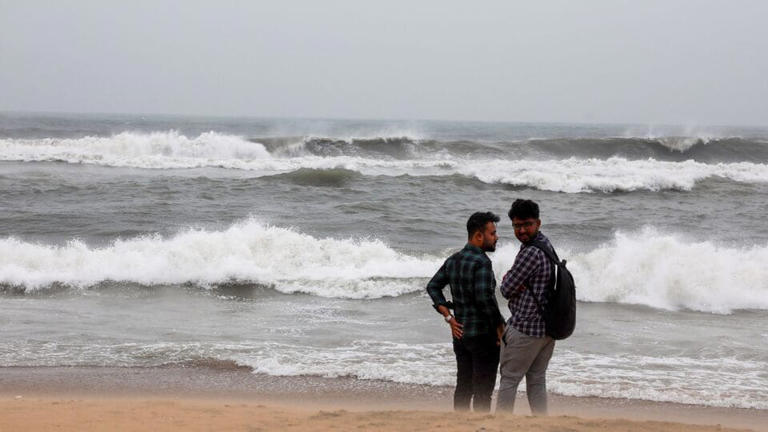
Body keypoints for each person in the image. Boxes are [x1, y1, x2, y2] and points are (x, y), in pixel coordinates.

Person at [426, 212, 505, 412]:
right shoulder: (482, 262)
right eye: (493, 233)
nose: (496, 237)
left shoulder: (453, 260)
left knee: (463, 386)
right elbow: (484, 299)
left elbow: (433, 287)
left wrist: (449, 318)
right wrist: (500, 327)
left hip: (460, 335)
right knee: (483, 391)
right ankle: (479, 425)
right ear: (479, 236)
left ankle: (459, 424)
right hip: (483, 337)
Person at [496, 199, 556, 415]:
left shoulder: (531, 252)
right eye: (516, 226)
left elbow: (506, 288)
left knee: (510, 379)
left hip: (526, 328)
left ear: (538, 223)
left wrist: (509, 279)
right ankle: (542, 424)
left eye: (526, 224)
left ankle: (501, 425)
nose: (521, 230)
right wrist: (513, 281)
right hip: (548, 328)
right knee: (537, 380)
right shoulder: (546, 245)